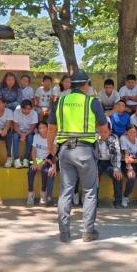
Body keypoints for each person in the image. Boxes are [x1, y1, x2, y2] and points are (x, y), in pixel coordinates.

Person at [48, 70, 107, 243]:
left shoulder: (60, 101)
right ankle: (88, 232)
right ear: (85, 84)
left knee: (66, 191)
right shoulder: (92, 101)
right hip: (85, 151)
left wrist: (50, 150)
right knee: (89, 191)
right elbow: (104, 129)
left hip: (65, 151)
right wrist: (102, 136)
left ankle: (64, 233)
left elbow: (51, 128)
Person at [95, 123, 123, 208]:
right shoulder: (94, 138)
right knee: (93, 176)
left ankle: (117, 201)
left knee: (118, 176)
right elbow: (90, 154)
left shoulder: (114, 138)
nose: (103, 134)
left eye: (105, 132)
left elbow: (117, 154)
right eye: (101, 131)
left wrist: (117, 168)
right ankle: (94, 201)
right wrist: (94, 170)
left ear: (110, 131)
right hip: (97, 162)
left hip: (110, 162)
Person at [120, 125, 137, 208]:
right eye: (130, 132)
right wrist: (130, 168)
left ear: (136, 133)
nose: (132, 134)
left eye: (134, 132)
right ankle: (125, 196)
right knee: (131, 177)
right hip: (125, 162)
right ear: (126, 133)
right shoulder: (123, 138)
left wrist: (133, 161)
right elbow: (126, 154)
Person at [27, 121, 53, 207]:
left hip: (47, 160)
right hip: (37, 160)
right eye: (40, 128)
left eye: (44, 127)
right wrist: (35, 162)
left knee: (45, 171)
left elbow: (52, 153)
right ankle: (31, 194)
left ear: (47, 127)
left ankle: (43, 195)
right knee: (30, 171)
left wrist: (43, 162)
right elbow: (33, 151)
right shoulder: (36, 136)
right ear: (38, 130)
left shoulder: (51, 137)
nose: (42, 129)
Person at [11, 99, 37, 168]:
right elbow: (15, 127)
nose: (27, 111)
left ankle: (26, 159)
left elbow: (32, 129)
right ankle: (16, 159)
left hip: (29, 132)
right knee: (15, 137)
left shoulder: (34, 113)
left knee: (31, 138)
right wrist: (21, 134)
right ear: (21, 108)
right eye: (24, 109)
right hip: (18, 131)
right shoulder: (16, 112)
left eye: (29, 109)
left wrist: (24, 135)